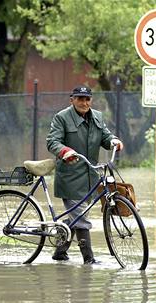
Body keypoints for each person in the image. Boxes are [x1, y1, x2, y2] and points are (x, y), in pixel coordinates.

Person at [46, 85, 123, 264]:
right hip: (70, 177)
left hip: (91, 177)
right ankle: (89, 259)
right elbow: (52, 141)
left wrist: (114, 140)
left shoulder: (97, 116)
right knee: (80, 216)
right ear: (71, 99)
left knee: (76, 215)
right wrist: (64, 151)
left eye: (87, 99)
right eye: (80, 98)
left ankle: (59, 252)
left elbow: (105, 136)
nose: (84, 102)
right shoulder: (62, 117)